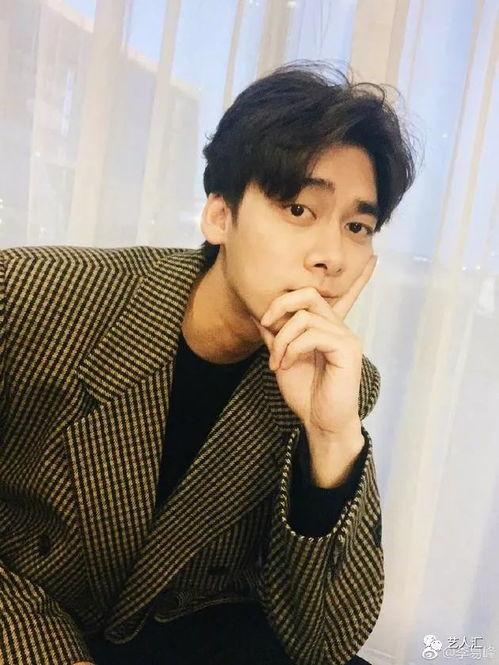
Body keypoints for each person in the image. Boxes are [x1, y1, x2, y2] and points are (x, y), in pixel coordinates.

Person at [0, 61, 417, 664]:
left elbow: (326, 642)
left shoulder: (338, 380)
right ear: (220, 215)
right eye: (300, 209)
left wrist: (331, 440)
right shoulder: (34, 295)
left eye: (358, 225)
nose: (332, 255)